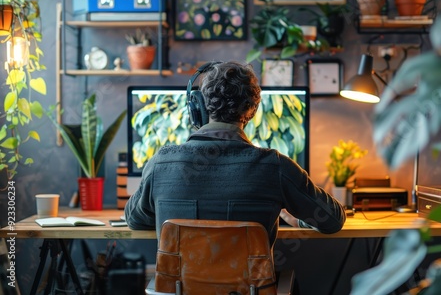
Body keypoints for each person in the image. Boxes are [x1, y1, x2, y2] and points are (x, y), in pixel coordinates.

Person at [124, 61, 345, 246]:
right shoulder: (276, 167)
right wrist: (298, 220)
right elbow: (332, 219)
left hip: (178, 288)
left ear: (197, 107)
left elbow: (134, 220)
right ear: (252, 111)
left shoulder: (161, 163)